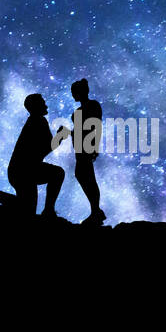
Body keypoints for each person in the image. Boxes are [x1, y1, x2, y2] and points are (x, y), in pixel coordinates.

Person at [0, 93, 65, 217]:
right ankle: (48, 210)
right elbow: (44, 150)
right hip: (24, 172)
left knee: (26, 210)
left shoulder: (37, 121)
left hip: (23, 171)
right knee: (57, 173)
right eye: (42, 102)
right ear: (36, 106)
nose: (46, 105)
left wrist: (59, 137)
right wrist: (59, 137)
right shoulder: (38, 121)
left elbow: (43, 149)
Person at [56, 78, 106, 226]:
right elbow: (79, 130)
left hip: (86, 146)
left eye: (74, 92)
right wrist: (68, 133)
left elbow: (96, 126)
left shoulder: (93, 105)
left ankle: (96, 212)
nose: (73, 95)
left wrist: (94, 146)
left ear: (80, 92)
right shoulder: (79, 110)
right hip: (79, 146)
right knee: (83, 175)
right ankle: (96, 211)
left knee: (87, 176)